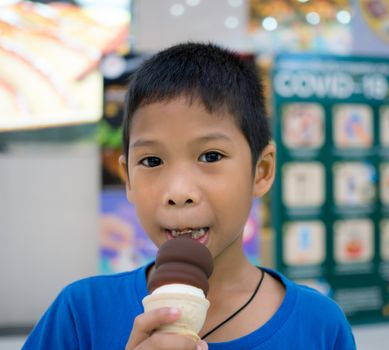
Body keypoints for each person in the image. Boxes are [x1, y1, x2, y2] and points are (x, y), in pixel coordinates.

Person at [23, 42, 355, 350]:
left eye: (210, 156)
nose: (179, 192)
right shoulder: (82, 314)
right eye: (151, 161)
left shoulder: (320, 325)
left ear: (262, 171)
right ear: (128, 179)